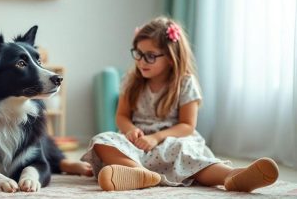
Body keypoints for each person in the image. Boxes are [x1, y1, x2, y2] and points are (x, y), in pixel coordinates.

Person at [81, 16, 279, 192]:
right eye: (138, 53)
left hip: (172, 139)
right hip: (138, 144)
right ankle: (138, 173)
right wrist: (130, 129)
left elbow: (187, 126)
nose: (142, 61)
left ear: (170, 57)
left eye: (150, 55)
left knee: (187, 157)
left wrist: (157, 137)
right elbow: (121, 116)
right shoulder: (131, 80)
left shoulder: (185, 83)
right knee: (102, 140)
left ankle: (233, 175)